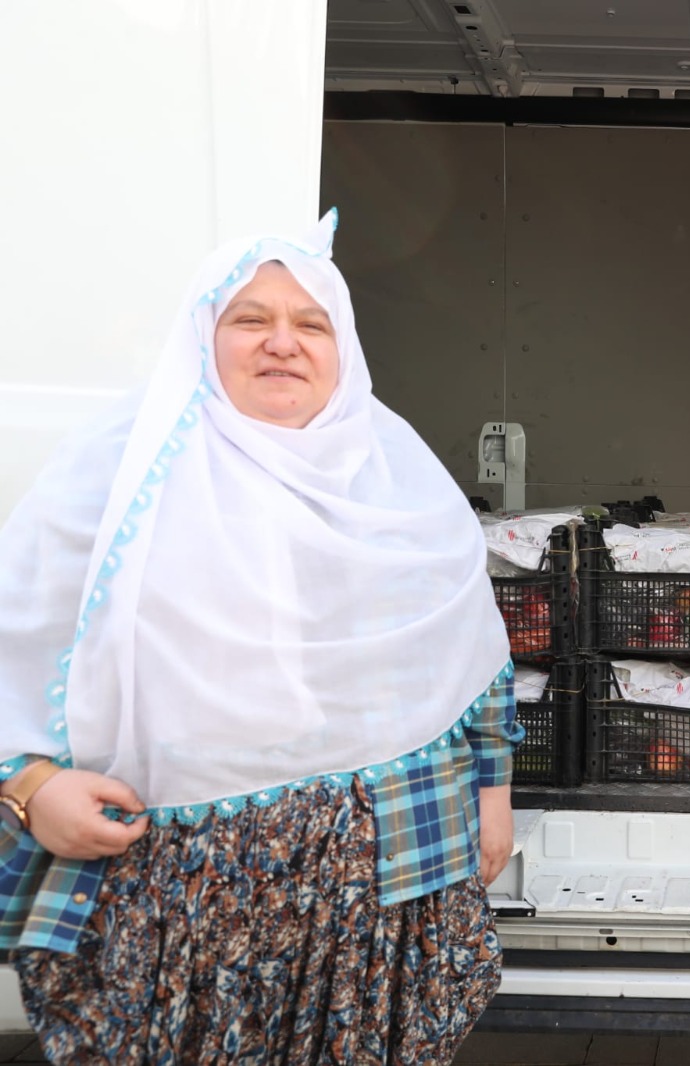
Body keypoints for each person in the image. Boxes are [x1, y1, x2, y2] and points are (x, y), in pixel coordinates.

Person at [0, 210, 523, 1064]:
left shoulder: (401, 486)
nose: (283, 342)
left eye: (312, 324)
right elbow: (11, 658)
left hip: (379, 896)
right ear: (202, 338)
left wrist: (492, 799)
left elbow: (475, 664)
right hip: (173, 904)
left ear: (343, 349)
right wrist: (30, 787)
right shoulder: (111, 478)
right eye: (251, 319)